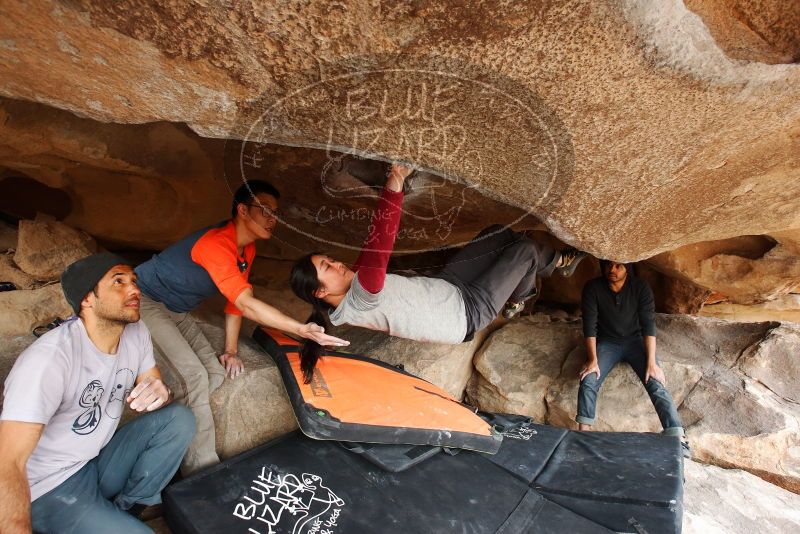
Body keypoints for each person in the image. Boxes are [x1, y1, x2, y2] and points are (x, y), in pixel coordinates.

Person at [290, 163, 587, 382]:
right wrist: (394, 183)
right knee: (524, 252)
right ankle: (523, 295)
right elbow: (378, 245)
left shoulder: (353, 290)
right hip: (466, 313)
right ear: (320, 291)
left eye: (330, 259)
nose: (337, 264)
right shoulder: (359, 300)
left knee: (496, 235)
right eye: (326, 267)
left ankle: (547, 270)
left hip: (450, 287)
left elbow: (367, 254)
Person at [134, 180, 349, 475]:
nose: (272, 218)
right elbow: (246, 303)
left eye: (276, 213)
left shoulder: (246, 251)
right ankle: (202, 470)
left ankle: (168, 425)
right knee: (195, 376)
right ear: (242, 211)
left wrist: (231, 351)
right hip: (144, 301)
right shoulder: (215, 243)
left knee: (214, 374)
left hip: (177, 310)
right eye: (265, 210)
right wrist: (300, 329)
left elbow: (234, 304)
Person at [0, 253, 196, 533]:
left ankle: (128, 508)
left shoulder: (135, 330)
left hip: (92, 460)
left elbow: (152, 382)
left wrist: (159, 390)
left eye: (133, 281)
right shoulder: (49, 360)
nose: (134, 289)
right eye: (119, 281)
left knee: (179, 419)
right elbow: (8, 463)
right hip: (48, 488)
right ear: (87, 299)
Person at [576, 260, 689, 455]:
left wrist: (652, 362)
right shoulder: (593, 288)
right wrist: (593, 359)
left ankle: (677, 437)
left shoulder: (640, 287)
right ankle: (582, 435)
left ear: (627, 267)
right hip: (608, 343)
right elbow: (589, 325)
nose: (612, 269)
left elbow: (648, 325)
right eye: (609, 265)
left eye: (618, 266)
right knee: (589, 379)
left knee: (655, 381)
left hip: (635, 343)